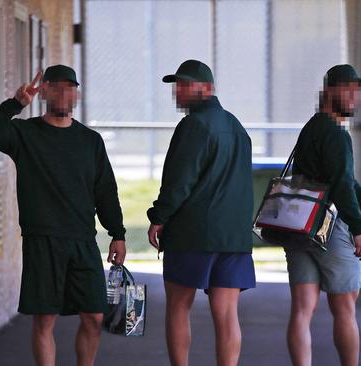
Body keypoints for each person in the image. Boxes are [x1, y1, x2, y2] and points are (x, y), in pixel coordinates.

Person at [0, 65, 126, 366]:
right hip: (42, 239)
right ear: (43, 91)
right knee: (44, 321)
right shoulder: (24, 134)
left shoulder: (90, 141)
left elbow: (105, 191)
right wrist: (15, 104)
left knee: (95, 317)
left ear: (76, 94)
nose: (63, 93)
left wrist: (118, 233)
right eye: (55, 87)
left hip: (83, 240)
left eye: (69, 88)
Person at [286, 64, 361, 366]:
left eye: (357, 91)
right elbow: (339, 187)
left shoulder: (312, 127)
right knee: (345, 310)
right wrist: (360, 229)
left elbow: (340, 183)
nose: (354, 97)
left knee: (301, 310)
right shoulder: (336, 135)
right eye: (347, 90)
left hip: (299, 225)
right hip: (330, 227)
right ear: (329, 91)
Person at [147, 59, 255, 366]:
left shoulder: (194, 125)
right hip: (233, 236)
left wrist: (159, 216)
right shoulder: (236, 126)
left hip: (193, 233)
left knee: (179, 306)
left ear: (206, 88)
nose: (177, 92)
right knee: (227, 313)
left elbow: (180, 181)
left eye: (184, 85)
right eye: (176, 85)